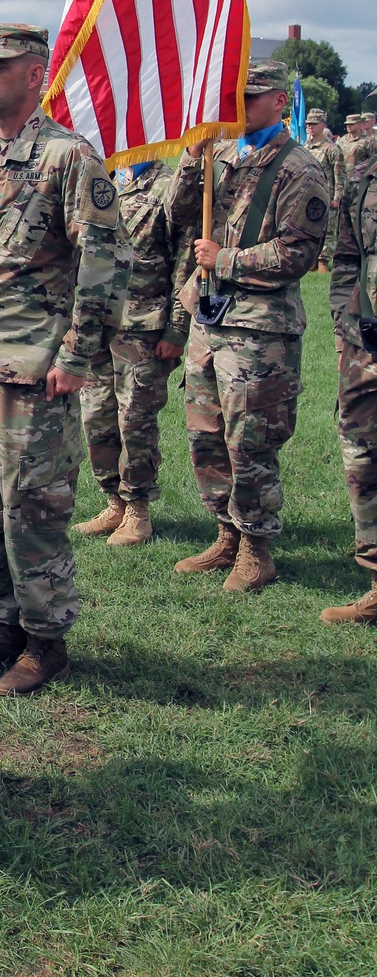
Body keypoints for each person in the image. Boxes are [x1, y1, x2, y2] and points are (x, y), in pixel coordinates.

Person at [0, 24, 131, 695]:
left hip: (36, 369)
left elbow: (104, 258)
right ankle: (6, 625)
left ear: (35, 73)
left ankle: (46, 641)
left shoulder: (68, 157)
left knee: (32, 509)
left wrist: (78, 352)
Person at [165, 58, 330, 592]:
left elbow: (298, 253)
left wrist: (227, 261)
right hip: (209, 320)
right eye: (235, 99)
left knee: (249, 441)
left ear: (280, 101)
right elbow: (177, 213)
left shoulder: (298, 168)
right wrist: (193, 158)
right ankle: (226, 533)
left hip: (259, 330)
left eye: (251, 98)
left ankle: (257, 548)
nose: (239, 109)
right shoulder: (223, 157)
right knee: (205, 435)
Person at [74, 158, 194, 546]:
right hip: (97, 321)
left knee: (135, 422)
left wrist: (177, 328)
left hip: (143, 325)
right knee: (96, 418)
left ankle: (138, 508)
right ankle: (113, 501)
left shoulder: (167, 187)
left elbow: (184, 262)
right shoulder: (103, 180)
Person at [324, 149, 377, 625]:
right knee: (361, 453)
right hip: (366, 342)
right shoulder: (363, 174)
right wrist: (345, 328)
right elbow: (345, 257)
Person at [305, 108, 345, 274]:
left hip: (326, 196)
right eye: (308, 124)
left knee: (328, 230)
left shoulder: (332, 149)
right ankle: (312, 261)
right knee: (309, 229)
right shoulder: (305, 147)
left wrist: (337, 197)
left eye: (314, 124)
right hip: (308, 197)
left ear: (323, 125)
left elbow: (340, 175)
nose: (310, 127)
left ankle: (323, 261)